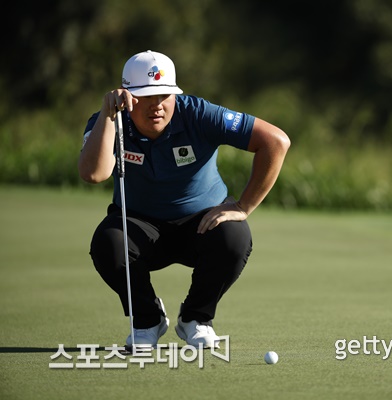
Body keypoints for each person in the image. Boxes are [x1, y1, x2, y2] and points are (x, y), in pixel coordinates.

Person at [78, 50, 290, 349]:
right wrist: (108, 116)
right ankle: (147, 320)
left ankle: (195, 319)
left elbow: (276, 141)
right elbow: (94, 174)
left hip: (201, 223)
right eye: (145, 96)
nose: (157, 105)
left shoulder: (198, 114)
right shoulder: (108, 121)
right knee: (108, 243)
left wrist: (243, 207)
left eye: (164, 95)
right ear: (127, 96)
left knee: (233, 237)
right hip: (138, 224)